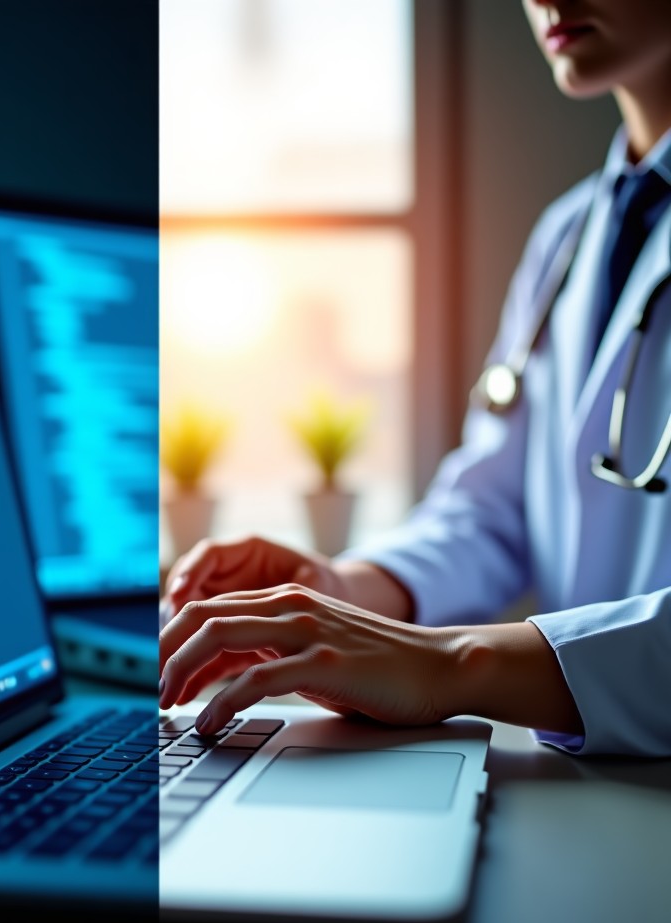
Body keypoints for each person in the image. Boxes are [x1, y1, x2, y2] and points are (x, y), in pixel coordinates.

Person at [159, 0, 671, 756]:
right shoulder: (568, 236)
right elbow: (492, 512)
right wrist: (344, 590)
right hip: (603, 785)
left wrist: (453, 665)